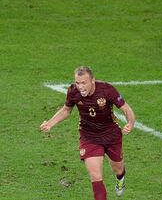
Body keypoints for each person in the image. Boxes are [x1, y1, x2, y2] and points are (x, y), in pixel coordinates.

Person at [40, 66, 135, 200]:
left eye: (84, 83)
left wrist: (130, 123)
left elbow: (126, 108)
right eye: (78, 83)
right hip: (89, 136)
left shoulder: (106, 89)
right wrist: (50, 123)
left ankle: (120, 179)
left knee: (118, 169)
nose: (80, 86)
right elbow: (66, 110)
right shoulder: (73, 91)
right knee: (95, 176)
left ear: (92, 81)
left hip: (111, 134)